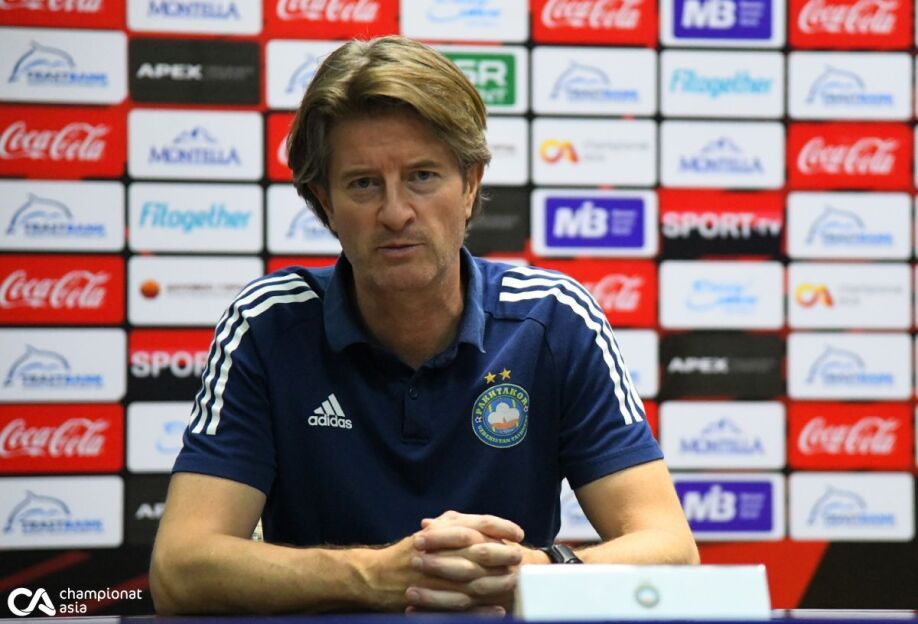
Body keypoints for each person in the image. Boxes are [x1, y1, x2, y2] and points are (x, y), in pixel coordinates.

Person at [149, 35, 698, 616]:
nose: (395, 213)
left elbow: (671, 551)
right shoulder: (268, 324)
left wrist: (532, 574)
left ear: (471, 185)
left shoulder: (553, 320)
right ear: (325, 201)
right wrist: (373, 575)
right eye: (363, 183)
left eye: (422, 176)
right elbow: (179, 570)